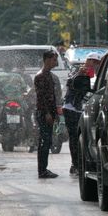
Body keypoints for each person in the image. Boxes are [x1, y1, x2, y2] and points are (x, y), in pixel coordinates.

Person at [63, 52, 101, 175]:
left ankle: (86, 162)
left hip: (85, 109)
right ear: (88, 61)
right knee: (75, 138)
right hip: (71, 108)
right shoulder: (78, 72)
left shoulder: (98, 75)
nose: (94, 65)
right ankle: (75, 164)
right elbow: (70, 82)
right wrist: (79, 74)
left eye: (97, 63)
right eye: (93, 61)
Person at [34, 50, 61, 179]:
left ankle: (44, 169)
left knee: (47, 141)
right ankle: (42, 170)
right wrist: (47, 113)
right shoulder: (40, 76)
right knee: (44, 142)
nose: (55, 63)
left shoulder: (48, 75)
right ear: (47, 60)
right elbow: (41, 98)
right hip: (44, 113)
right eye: (54, 60)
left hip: (50, 112)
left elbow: (52, 97)